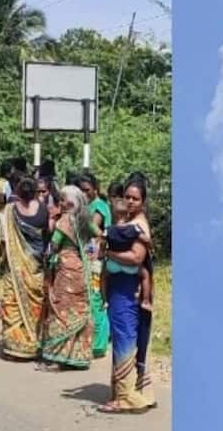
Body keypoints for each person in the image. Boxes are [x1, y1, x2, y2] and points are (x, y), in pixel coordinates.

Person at [99, 174, 156, 414]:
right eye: (127, 197)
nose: (130, 202)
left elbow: (136, 258)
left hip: (126, 289)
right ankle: (139, 390)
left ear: (143, 201)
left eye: (135, 198)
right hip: (121, 287)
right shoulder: (129, 223)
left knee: (124, 337)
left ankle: (126, 397)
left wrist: (109, 255)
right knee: (129, 336)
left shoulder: (138, 226)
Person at [40, 185, 100, 370]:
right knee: (78, 311)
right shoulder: (84, 220)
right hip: (81, 269)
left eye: (62, 200)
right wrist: (92, 251)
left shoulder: (65, 221)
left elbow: (54, 245)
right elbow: (99, 234)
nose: (59, 203)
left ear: (71, 203)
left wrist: (46, 260)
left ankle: (58, 357)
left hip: (65, 270)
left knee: (61, 311)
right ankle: (77, 355)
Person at [0, 176, 49, 359]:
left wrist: (3, 259)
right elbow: (47, 237)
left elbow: (5, 241)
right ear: (35, 192)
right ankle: (32, 344)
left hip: (15, 267)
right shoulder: (43, 210)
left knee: (13, 303)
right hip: (35, 265)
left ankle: (15, 347)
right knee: (35, 303)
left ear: (17, 192)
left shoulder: (10, 210)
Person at [78, 174, 112, 358]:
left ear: (95, 189)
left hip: (96, 260)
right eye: (81, 190)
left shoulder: (98, 207)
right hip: (90, 258)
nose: (84, 193)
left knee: (96, 298)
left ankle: (98, 344)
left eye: (87, 189)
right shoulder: (89, 206)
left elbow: (92, 228)